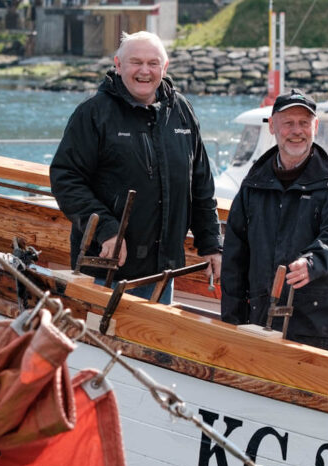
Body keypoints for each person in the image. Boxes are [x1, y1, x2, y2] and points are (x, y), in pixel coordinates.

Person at [50, 31, 220, 303]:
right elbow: (66, 178)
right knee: (100, 342)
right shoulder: (94, 113)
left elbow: (200, 185)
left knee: (153, 343)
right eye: (136, 62)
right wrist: (107, 230)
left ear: (164, 68)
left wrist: (211, 243)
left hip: (161, 272)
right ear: (118, 65)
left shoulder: (182, 112)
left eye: (153, 63)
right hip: (105, 269)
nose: (145, 71)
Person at [221, 89, 328, 351]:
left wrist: (312, 262)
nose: (297, 131)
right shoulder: (253, 183)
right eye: (288, 123)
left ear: (315, 126)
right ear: (273, 127)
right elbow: (234, 259)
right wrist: (231, 323)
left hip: (316, 324)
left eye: (304, 123)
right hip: (259, 319)